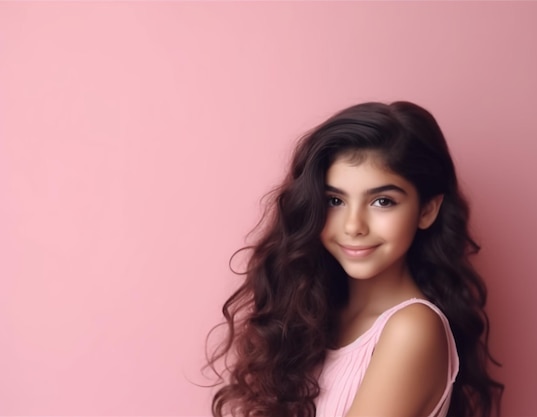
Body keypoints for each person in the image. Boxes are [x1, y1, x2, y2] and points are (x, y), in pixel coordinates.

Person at [204, 101, 504, 417]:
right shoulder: (315, 316)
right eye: (335, 200)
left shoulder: (412, 329)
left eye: (382, 201)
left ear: (427, 210)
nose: (353, 226)